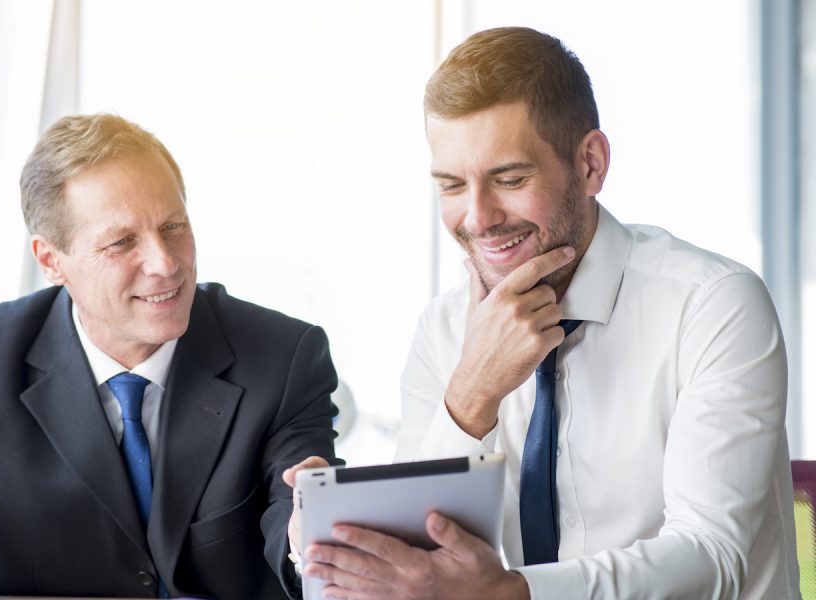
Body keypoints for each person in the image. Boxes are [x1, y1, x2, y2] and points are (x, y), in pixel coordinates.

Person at [295, 27, 800, 599]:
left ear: (590, 164)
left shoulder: (712, 304)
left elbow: (713, 557)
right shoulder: (443, 330)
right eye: (452, 185)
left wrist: (511, 593)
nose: (479, 218)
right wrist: (470, 394)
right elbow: (417, 567)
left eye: (509, 179)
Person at [0, 113, 339, 600]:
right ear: (52, 261)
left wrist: (306, 534)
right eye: (122, 243)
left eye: (173, 227)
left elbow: (293, 509)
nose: (165, 264)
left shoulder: (284, 355)